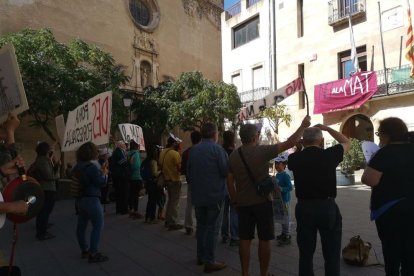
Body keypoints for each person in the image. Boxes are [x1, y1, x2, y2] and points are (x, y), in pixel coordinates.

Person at [227, 116, 310, 276]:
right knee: (264, 239)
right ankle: (263, 274)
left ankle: (245, 273)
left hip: (243, 203)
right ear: (253, 137)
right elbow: (290, 142)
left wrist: (234, 199)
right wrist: (303, 125)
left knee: (244, 239)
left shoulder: (234, 156)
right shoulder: (262, 151)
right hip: (262, 202)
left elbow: (229, 180)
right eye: (257, 134)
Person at [288, 124, 350, 276]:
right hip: (326, 206)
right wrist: (327, 129)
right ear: (321, 141)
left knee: (306, 252)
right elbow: (347, 142)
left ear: (303, 142)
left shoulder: (294, 158)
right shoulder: (329, 155)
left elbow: (294, 159)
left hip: (304, 207)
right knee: (332, 252)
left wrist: (298, 148)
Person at [361, 117, 414, 276]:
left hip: (391, 210)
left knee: (392, 250)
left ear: (388, 134)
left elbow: (369, 179)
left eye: (379, 133)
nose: (378, 137)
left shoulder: (385, 153)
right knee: (410, 250)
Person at [187, 122, 228, 273]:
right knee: (212, 229)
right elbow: (225, 171)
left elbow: (189, 173)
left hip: (198, 196)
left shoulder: (194, 150)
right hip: (214, 195)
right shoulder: (218, 150)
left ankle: (201, 256)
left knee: (202, 227)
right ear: (214, 134)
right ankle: (210, 261)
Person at [72, 142, 109, 263]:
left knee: (81, 226)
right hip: (92, 199)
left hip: (80, 199)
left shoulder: (77, 166)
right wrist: (104, 174)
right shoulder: (91, 167)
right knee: (98, 225)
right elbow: (101, 183)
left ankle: (84, 250)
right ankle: (93, 253)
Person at [32, 142, 58, 241]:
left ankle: (43, 227)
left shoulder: (43, 159)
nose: (51, 150)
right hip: (47, 189)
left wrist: (55, 165)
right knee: (44, 211)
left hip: (47, 188)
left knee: (45, 211)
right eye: (49, 149)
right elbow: (49, 176)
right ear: (45, 150)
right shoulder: (42, 161)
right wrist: (57, 176)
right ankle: (41, 233)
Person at [159, 136, 182, 230]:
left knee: (170, 200)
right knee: (175, 202)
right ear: (174, 143)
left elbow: (160, 165)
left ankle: (168, 220)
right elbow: (179, 168)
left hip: (166, 180)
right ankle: (173, 222)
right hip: (175, 180)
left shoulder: (162, 152)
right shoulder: (175, 154)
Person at [181, 130, 202, 235]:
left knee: (189, 204)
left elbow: (183, 168)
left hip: (190, 182)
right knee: (200, 205)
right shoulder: (202, 151)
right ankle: (199, 227)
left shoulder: (186, 152)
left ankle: (188, 225)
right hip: (201, 182)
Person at [220, 130, 239, 246]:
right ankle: (235, 236)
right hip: (234, 185)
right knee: (234, 212)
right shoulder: (235, 153)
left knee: (224, 212)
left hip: (222, 185)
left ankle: (224, 235)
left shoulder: (220, 152)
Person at [272, 153, 292, 246]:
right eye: (275, 163)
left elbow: (290, 187)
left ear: (284, 165)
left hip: (285, 200)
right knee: (282, 218)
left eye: (278, 163)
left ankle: (287, 236)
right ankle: (284, 233)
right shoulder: (277, 175)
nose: (276, 165)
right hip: (279, 201)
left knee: (286, 218)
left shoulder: (285, 176)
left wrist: (282, 189)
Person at [110, 140, 129, 215]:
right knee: (123, 193)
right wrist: (128, 159)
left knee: (120, 193)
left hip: (119, 175)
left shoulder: (119, 151)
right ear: (121, 145)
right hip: (120, 175)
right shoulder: (118, 152)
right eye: (124, 144)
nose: (125, 146)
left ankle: (120, 209)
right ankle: (123, 209)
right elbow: (121, 162)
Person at [141, 145, 160, 223]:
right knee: (153, 201)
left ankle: (147, 217)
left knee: (150, 200)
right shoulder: (153, 161)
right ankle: (152, 218)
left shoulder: (145, 161)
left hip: (147, 182)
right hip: (153, 183)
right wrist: (160, 172)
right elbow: (154, 173)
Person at [127, 140, 143, 219]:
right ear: (136, 146)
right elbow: (136, 166)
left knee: (131, 194)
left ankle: (130, 209)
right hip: (136, 176)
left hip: (129, 177)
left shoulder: (128, 153)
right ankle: (135, 211)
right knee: (136, 195)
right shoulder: (136, 154)